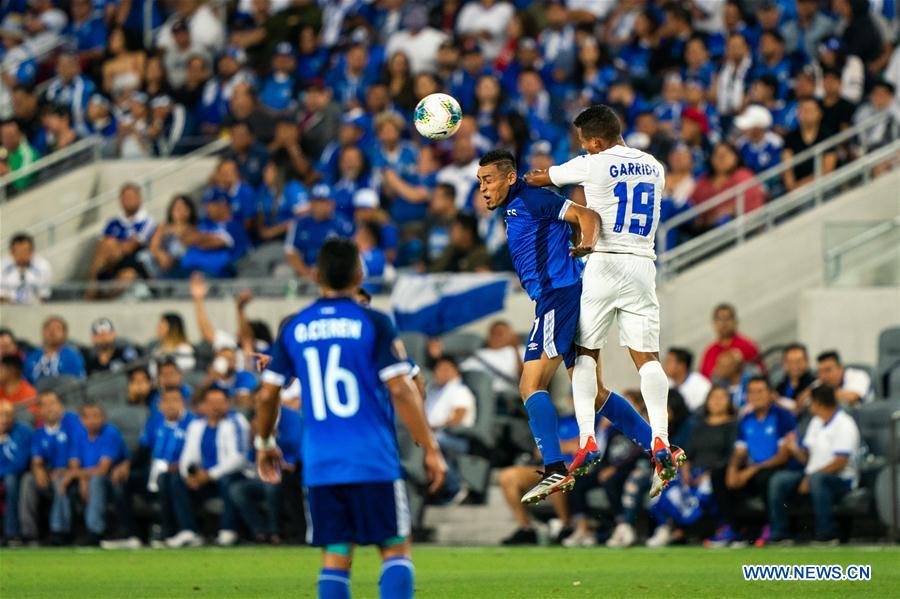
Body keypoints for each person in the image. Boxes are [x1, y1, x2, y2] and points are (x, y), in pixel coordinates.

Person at [254, 238, 447, 599]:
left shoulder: (296, 327)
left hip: (322, 464)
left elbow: (267, 394)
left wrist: (264, 443)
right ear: (359, 274)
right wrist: (430, 446)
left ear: (315, 275)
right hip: (372, 459)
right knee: (394, 548)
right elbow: (403, 389)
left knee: (336, 554)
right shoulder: (373, 322)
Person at [479, 146, 662, 505]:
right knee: (593, 392)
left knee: (531, 384)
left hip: (558, 297)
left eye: (488, 180)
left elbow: (587, 215)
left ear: (510, 177)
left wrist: (587, 246)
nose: (483, 188)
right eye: (480, 182)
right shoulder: (519, 205)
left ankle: (554, 468)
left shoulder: (535, 199)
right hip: (567, 295)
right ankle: (659, 448)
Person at [524, 105, 683, 497]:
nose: (583, 148)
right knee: (647, 359)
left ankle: (586, 439)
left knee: (586, 354)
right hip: (644, 264)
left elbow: (545, 178)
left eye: (584, 143)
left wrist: (533, 176)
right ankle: (660, 438)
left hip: (604, 263)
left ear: (595, 141)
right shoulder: (654, 166)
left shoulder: (592, 163)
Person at [706, 376, 795, 548]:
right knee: (719, 474)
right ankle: (732, 528)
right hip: (753, 469)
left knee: (765, 478)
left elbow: (783, 455)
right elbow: (740, 451)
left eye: (760, 391)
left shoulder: (782, 416)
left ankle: (771, 527)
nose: (756, 396)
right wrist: (732, 469)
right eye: (752, 392)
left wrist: (751, 470)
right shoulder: (746, 419)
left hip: (776, 467)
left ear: (770, 394)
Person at [646, 386, 737, 547]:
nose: (717, 402)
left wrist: (708, 473)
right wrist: (686, 470)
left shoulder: (733, 425)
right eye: (713, 397)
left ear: (729, 402)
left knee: (704, 490)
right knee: (665, 484)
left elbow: (731, 454)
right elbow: (689, 453)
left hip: (714, 472)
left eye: (721, 397)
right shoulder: (699, 426)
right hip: (693, 472)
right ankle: (666, 527)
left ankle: (700, 530)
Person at [769, 385, 860, 545]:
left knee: (818, 480)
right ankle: (781, 533)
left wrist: (810, 478)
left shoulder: (844, 423)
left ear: (818, 403)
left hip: (841, 479)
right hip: (812, 474)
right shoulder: (816, 422)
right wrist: (794, 448)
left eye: (810, 402)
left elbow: (840, 462)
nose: (808, 406)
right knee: (779, 480)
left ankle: (827, 533)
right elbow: (807, 458)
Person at [178, 386, 249, 547]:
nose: (215, 407)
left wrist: (210, 474)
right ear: (204, 405)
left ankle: (228, 530)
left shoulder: (237, 422)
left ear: (228, 403)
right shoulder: (196, 425)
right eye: (211, 402)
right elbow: (187, 455)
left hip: (233, 474)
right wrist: (189, 475)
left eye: (219, 402)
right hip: (205, 478)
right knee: (176, 481)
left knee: (227, 481)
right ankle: (188, 531)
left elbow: (238, 458)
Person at [230, 402, 302, 544]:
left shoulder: (289, 421)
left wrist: (272, 439)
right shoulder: (256, 427)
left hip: (284, 475)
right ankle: (259, 531)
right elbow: (250, 459)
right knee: (237, 489)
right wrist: (254, 439)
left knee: (272, 487)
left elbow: (295, 451)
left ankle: (275, 532)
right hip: (259, 477)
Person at [19, 391, 85, 544]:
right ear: (39, 411)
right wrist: (38, 470)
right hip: (50, 474)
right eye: (45, 405)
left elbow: (76, 453)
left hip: (71, 473)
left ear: (61, 406)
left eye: (53, 403)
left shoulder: (71, 422)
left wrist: (68, 470)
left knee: (59, 480)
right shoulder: (39, 433)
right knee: (28, 480)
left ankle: (59, 531)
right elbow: (37, 460)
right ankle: (29, 534)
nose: (50, 408)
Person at [73, 402, 135, 547]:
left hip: (114, 479)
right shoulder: (79, 434)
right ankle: (60, 532)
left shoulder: (110, 433)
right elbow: (73, 462)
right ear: (82, 420)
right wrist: (81, 478)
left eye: (97, 416)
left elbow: (103, 469)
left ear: (104, 418)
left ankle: (94, 532)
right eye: (88, 417)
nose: (93, 420)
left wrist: (77, 474)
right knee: (61, 481)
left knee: (96, 480)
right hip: (87, 477)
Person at [146, 386, 196, 547]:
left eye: (175, 400)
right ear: (160, 404)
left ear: (184, 402)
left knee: (169, 479)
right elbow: (144, 450)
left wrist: (180, 465)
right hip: (156, 469)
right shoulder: (155, 423)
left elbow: (196, 453)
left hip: (185, 471)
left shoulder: (192, 423)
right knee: (125, 481)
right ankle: (132, 532)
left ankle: (177, 530)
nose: (171, 405)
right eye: (167, 401)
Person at [86, 183, 157, 297]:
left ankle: (93, 297)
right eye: (125, 198)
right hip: (110, 263)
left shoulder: (147, 221)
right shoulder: (113, 222)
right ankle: (92, 294)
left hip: (134, 263)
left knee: (126, 274)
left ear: (140, 199)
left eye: (131, 197)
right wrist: (117, 244)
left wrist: (114, 245)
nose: (128, 201)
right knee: (105, 247)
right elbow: (100, 246)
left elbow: (131, 247)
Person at [284, 183, 355, 282]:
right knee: (283, 272)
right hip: (304, 273)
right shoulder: (299, 224)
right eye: (317, 201)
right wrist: (306, 273)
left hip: (333, 275)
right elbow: (291, 252)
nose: (320, 206)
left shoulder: (343, 225)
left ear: (332, 204)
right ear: (311, 203)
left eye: (324, 201)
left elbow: (349, 254)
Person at [782, 97, 836, 192]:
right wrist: (792, 189)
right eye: (803, 110)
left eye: (810, 110)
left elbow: (828, 169)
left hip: (822, 186)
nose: (806, 114)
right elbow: (787, 168)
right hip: (796, 190)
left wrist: (802, 186)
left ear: (819, 113)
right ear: (798, 114)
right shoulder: (790, 138)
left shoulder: (827, 135)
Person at [0, 399, 32, 544]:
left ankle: (11, 533)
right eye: (1, 415)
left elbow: (20, 463)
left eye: (9, 415)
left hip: (17, 475)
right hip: (4, 473)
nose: (5, 419)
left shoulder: (24, 432)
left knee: (11, 480)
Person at [699, 303, 760, 379]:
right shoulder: (709, 353)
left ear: (735, 321)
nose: (724, 323)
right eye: (720, 319)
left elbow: (759, 373)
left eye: (727, 318)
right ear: (714, 324)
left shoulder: (747, 346)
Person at [23, 316, 86, 384]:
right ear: (42, 332)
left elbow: (76, 384)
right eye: (48, 328)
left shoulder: (72, 358)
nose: (52, 331)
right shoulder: (31, 357)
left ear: (65, 334)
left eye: (57, 328)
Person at [427, 214, 492, 273]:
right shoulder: (451, 249)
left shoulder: (481, 254)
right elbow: (434, 270)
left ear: (467, 233)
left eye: (454, 230)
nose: (450, 233)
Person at [0, 233, 52, 304]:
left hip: (34, 308)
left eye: (25, 251)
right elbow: (1, 297)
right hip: (8, 308)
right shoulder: (2, 267)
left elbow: (43, 296)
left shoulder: (42, 266)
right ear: (11, 252)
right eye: (19, 252)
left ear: (32, 252)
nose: (22, 255)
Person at [664, 347, 712, 413]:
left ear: (681, 365)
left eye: (669, 361)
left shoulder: (702, 385)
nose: (665, 365)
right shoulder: (666, 382)